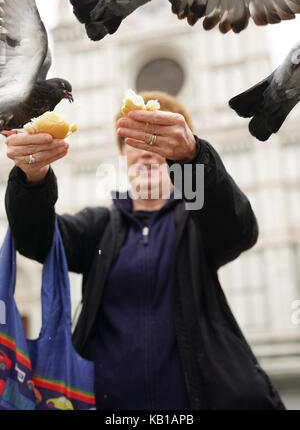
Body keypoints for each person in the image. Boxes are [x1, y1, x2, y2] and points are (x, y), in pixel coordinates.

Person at [4, 91, 285, 410]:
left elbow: (237, 229)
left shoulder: (197, 219)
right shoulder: (100, 228)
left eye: (159, 138)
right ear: (123, 155)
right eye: (134, 139)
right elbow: (36, 238)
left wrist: (193, 159)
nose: (147, 148)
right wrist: (32, 177)